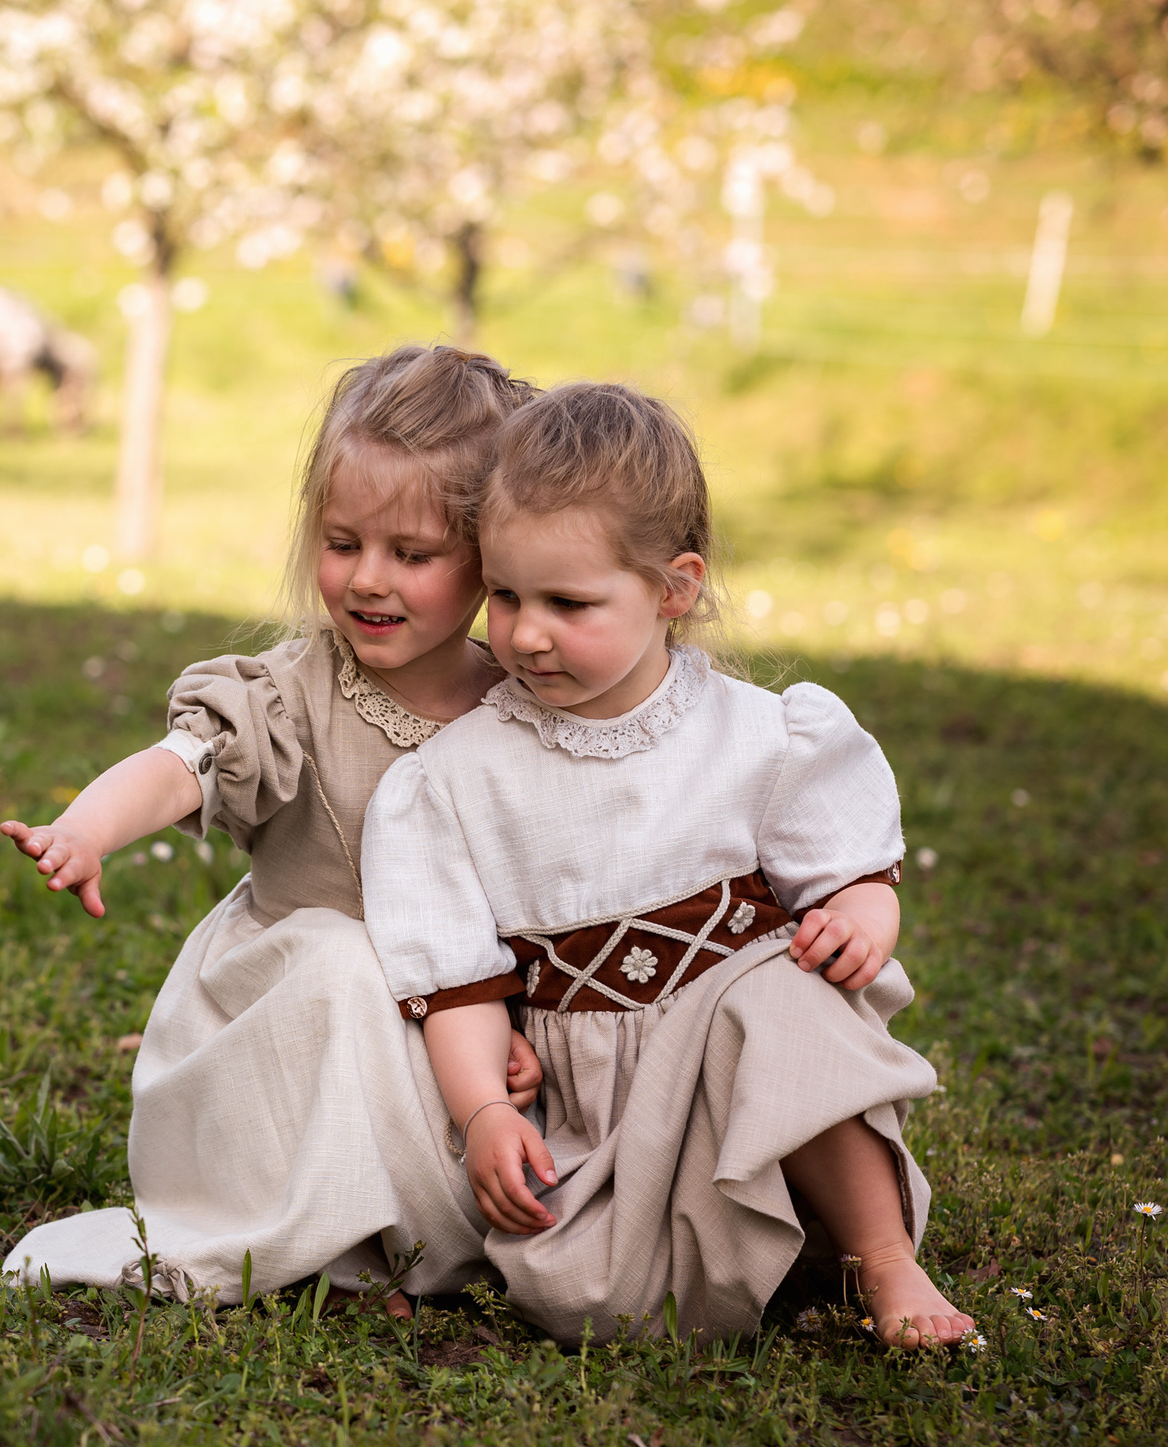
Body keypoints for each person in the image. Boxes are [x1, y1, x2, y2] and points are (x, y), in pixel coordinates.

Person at [361, 381, 974, 1348]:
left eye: (570, 603)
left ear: (673, 589)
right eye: (509, 595)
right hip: (606, 1110)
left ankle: (886, 1260)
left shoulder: (762, 736)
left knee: (780, 1002)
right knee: (603, 1305)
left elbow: (849, 870)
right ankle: (692, 1252)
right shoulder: (456, 779)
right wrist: (482, 1108)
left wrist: (861, 917)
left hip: (755, 1064)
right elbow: (458, 985)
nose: (525, 633)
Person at [0, 345, 544, 1313]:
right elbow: (185, 763)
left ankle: (420, 1222)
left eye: (411, 555)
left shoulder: (522, 714)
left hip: (446, 1041)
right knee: (343, 961)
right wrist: (89, 826)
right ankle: (316, 1229)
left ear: (488, 557)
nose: (368, 579)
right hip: (283, 1022)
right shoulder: (296, 694)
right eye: (342, 543)